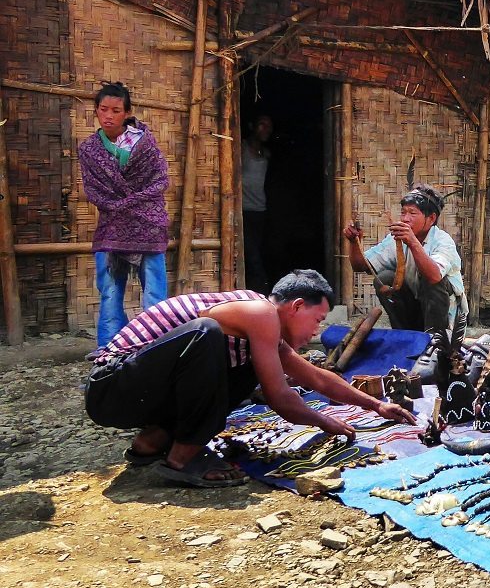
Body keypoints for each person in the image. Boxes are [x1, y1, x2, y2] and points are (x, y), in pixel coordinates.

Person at [84, 269, 416, 488]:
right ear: (296, 306)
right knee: (207, 335)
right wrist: (324, 421)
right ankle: (182, 457)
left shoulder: (265, 330)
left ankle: (152, 444)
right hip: (112, 386)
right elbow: (279, 397)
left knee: (242, 368)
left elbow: (318, 378)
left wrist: (377, 406)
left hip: (137, 391)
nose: (317, 330)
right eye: (317, 319)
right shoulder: (259, 313)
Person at [78, 82, 169, 347]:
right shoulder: (89, 150)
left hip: (148, 226)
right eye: (103, 109)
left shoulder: (146, 145)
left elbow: (160, 181)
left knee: (154, 295)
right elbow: (94, 192)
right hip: (112, 228)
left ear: (127, 112)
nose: (108, 115)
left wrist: (126, 203)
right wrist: (123, 207)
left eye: (115, 110)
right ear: (96, 111)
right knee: (109, 294)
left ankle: (156, 349)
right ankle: (109, 353)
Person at [344, 183, 468, 345]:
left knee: (433, 280)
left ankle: (435, 344)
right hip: (415, 314)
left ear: (431, 218)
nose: (405, 218)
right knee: (384, 278)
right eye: (403, 213)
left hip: (446, 322)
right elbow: (361, 266)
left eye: (412, 213)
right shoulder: (397, 239)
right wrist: (354, 242)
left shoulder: (443, 242)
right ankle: (404, 337)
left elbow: (434, 276)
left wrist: (412, 242)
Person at [241, 113, 274, 294]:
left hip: (259, 209)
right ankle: (260, 290)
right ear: (252, 125)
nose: (266, 129)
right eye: (262, 124)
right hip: (243, 210)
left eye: (269, 126)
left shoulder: (267, 154)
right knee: (251, 254)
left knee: (257, 251)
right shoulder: (242, 149)